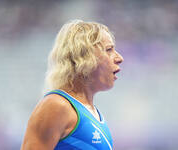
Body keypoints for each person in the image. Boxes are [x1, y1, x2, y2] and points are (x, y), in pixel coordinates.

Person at [21, 20, 123, 150]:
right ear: (83, 57)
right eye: (109, 49)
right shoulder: (57, 106)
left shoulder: (94, 114)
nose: (119, 58)